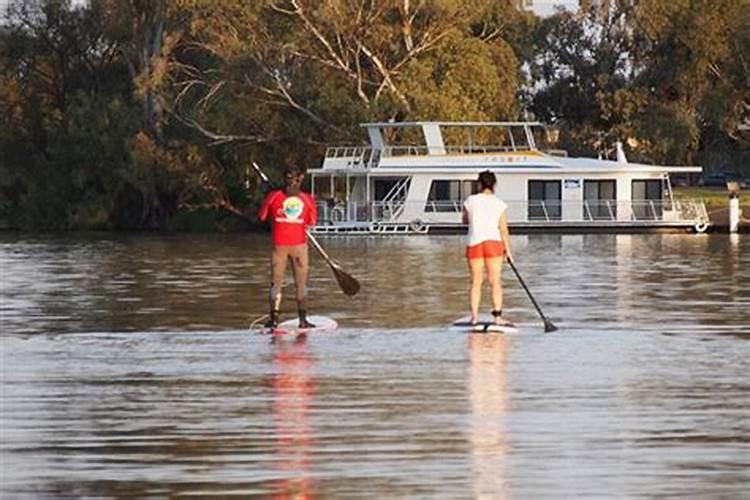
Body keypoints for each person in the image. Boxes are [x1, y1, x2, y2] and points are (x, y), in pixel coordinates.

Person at [258, 164, 318, 329]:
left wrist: (268, 200)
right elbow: (312, 221)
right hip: (298, 247)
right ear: (300, 180)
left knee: (276, 284)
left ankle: (274, 320)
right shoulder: (307, 199)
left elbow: (262, 217)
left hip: (280, 248)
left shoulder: (273, 196)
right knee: (301, 284)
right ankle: (303, 321)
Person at [462, 170, 514, 327]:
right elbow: (504, 229)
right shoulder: (500, 204)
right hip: (494, 243)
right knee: (495, 281)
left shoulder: (470, 201)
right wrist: (508, 252)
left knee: (476, 281)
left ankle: (474, 318)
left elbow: (464, 221)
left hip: (475, 243)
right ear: (494, 185)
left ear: (479, 184)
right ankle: (497, 317)